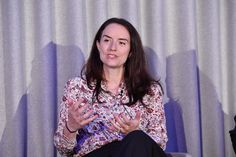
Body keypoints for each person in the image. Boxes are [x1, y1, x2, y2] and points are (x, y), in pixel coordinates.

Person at [54, 17, 168, 157]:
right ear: (98, 45)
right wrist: (70, 127)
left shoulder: (150, 91)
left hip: (138, 151)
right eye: (107, 40)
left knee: (137, 139)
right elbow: (63, 150)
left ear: (131, 51)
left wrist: (136, 131)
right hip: (96, 154)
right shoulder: (76, 87)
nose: (112, 47)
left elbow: (160, 143)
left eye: (121, 42)